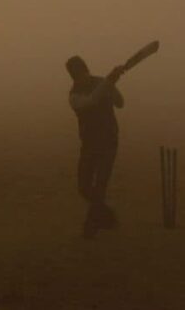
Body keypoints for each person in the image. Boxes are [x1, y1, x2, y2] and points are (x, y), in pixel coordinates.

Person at [66, 55, 126, 239]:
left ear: (87, 70)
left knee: (100, 186)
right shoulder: (74, 95)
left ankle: (91, 226)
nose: (83, 77)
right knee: (84, 187)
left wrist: (112, 85)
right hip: (89, 144)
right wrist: (109, 81)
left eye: (83, 73)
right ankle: (106, 217)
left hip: (108, 141)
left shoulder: (101, 82)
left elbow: (120, 103)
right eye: (78, 76)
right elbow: (90, 101)